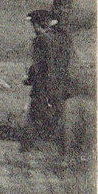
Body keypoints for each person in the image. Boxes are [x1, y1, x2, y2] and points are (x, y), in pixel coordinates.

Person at [21, 9, 72, 151]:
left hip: (44, 87)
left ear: (39, 25)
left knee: (34, 117)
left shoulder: (41, 41)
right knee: (58, 117)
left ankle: (27, 150)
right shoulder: (63, 38)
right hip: (61, 87)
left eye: (34, 25)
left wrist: (30, 79)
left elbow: (41, 66)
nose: (34, 29)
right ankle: (60, 150)